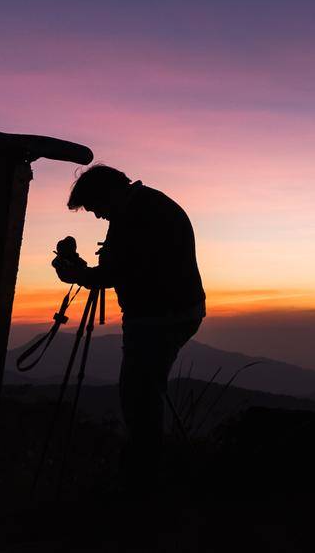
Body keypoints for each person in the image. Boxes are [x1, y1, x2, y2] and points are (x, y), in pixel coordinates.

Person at [53, 164, 206, 479]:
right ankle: (150, 465)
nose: (97, 216)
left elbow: (117, 272)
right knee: (146, 389)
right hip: (173, 312)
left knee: (138, 395)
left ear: (108, 193)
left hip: (158, 318)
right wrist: (87, 271)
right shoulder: (147, 205)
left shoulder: (138, 215)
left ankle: (144, 472)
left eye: (96, 207)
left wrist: (76, 274)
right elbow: (126, 265)